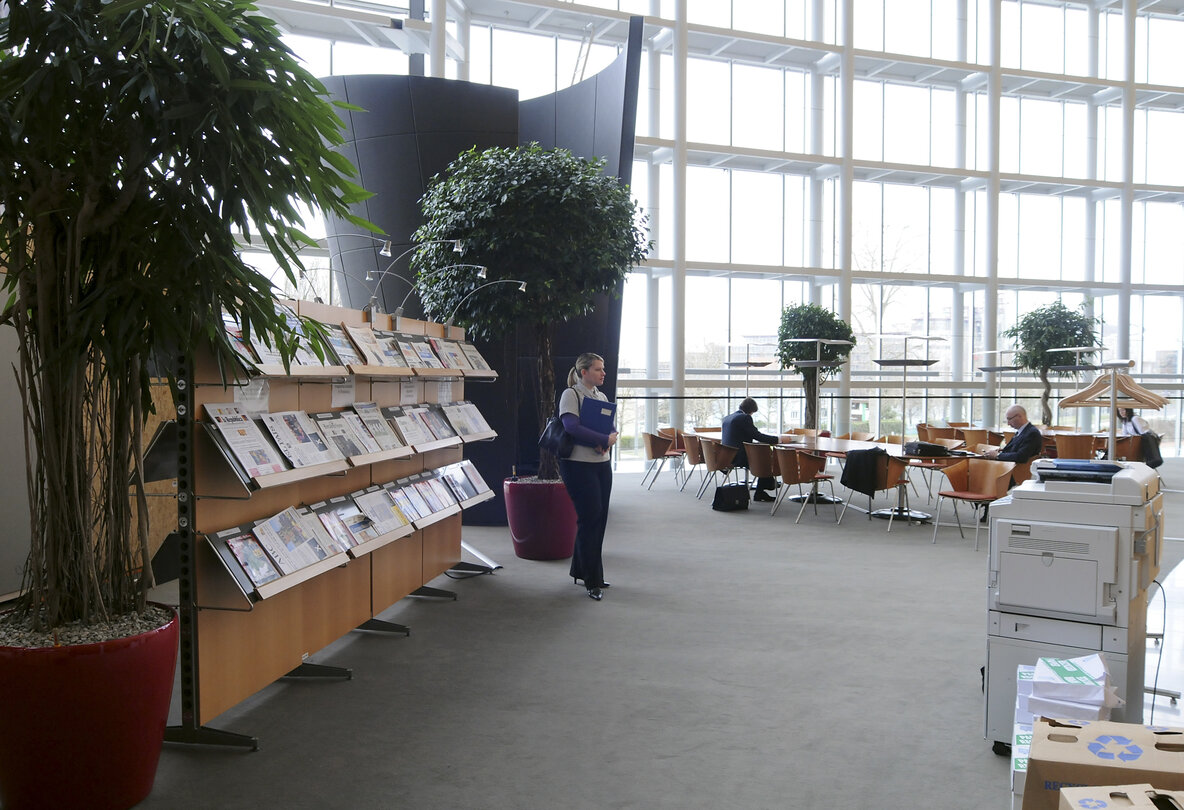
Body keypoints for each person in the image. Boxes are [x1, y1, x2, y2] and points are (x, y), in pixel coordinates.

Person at [558, 352, 618, 601]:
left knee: (600, 518)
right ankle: (591, 580)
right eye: (597, 369)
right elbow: (571, 427)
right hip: (578, 465)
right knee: (589, 518)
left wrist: (609, 439)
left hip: (601, 463)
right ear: (584, 372)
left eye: (603, 369)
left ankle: (582, 569)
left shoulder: (601, 396)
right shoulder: (571, 394)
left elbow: (610, 426)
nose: (603, 373)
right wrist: (603, 439)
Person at [720, 397, 779, 501]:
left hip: (727, 456)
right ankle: (765, 488)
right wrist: (778, 439)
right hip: (739, 457)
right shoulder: (745, 418)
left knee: (762, 458)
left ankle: (767, 484)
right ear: (751, 410)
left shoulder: (728, 418)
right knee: (765, 460)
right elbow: (757, 435)